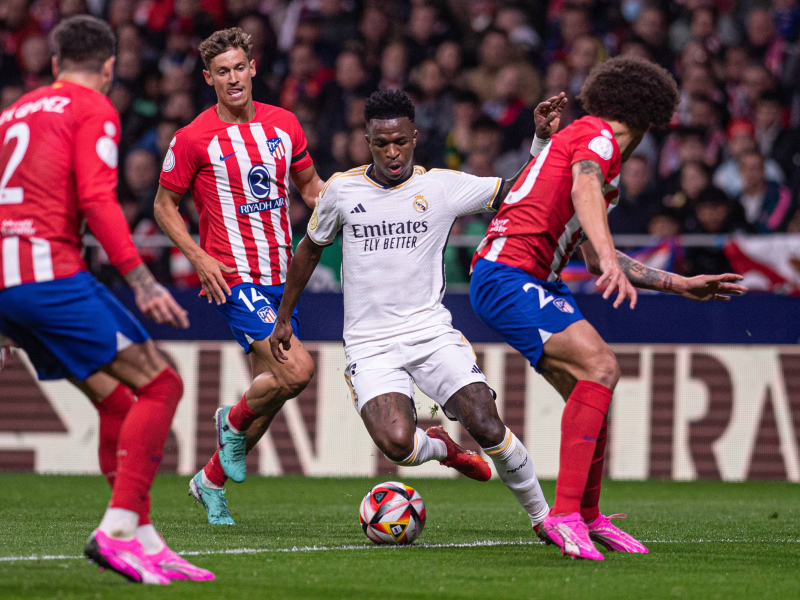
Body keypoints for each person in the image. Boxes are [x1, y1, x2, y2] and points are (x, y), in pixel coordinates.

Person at [470, 57, 748, 561]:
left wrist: (682, 285)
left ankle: (589, 516)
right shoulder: (596, 137)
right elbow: (584, 187)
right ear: (649, 117)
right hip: (506, 274)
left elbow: (596, 251)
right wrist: (607, 258)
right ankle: (565, 515)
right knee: (602, 365)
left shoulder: (587, 147)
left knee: (593, 390)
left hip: (530, 279)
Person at [269, 89, 568, 539]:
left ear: (414, 136)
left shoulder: (440, 187)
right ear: (367, 140)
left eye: (400, 142)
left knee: (486, 421)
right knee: (398, 445)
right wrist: (283, 316)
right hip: (370, 344)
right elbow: (309, 250)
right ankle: (442, 449)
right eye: (380, 144)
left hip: (430, 333)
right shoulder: (342, 192)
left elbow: (519, 193)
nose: (392, 153)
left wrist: (540, 144)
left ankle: (545, 519)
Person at [0, 16, 211, 584]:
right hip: (49, 275)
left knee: (119, 403)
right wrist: (143, 282)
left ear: (52, 63)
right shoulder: (92, 107)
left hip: (8, 284)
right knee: (162, 383)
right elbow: (97, 198)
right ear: (110, 66)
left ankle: (143, 537)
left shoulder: (11, 114)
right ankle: (117, 528)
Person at [152, 27, 324, 525]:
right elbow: (165, 207)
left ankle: (209, 481)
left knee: (269, 394)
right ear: (209, 78)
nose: (232, 78)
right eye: (221, 71)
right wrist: (198, 258)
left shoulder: (285, 124)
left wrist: (348, 202)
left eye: (238, 68)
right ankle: (228, 421)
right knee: (298, 372)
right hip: (234, 277)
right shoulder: (192, 138)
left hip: (281, 276)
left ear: (252, 69)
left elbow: (310, 186)